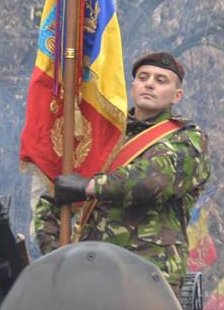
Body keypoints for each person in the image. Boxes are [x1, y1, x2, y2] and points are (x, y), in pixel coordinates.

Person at [35, 51, 211, 294]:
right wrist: (58, 257)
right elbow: (55, 196)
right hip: (90, 273)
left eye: (161, 80)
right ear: (133, 86)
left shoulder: (188, 139)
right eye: (143, 77)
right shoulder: (102, 136)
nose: (149, 83)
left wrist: (88, 187)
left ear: (176, 95)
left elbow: (152, 180)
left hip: (151, 275)